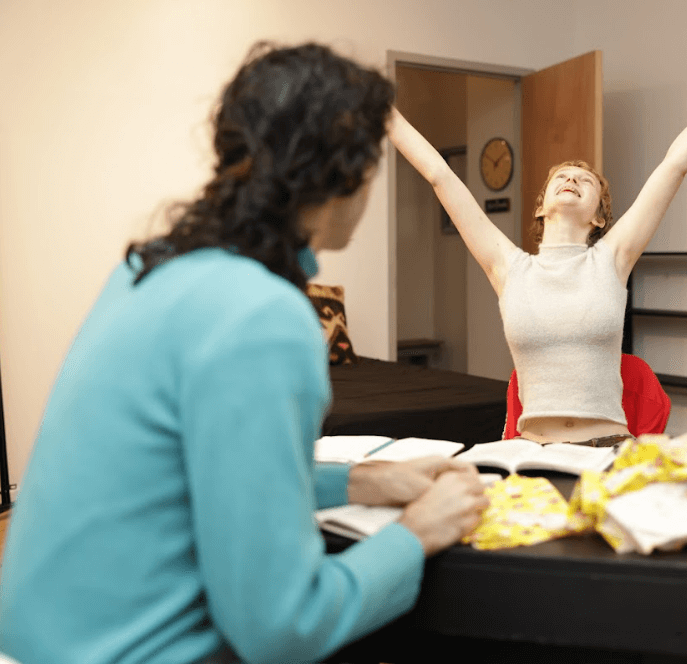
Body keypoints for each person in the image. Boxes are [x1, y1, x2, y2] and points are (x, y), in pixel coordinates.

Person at [0, 42, 488, 664]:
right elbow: (283, 628)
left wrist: (366, 480)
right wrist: (418, 536)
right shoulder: (264, 314)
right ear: (341, 175)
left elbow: (210, 476)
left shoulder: (148, 269)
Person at [389, 37, 687, 445]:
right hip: (530, 453)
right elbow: (439, 174)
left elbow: (676, 163)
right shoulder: (508, 267)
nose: (572, 178)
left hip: (604, 448)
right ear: (541, 207)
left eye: (585, 180)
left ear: (599, 216)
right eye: (562, 177)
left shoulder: (612, 259)